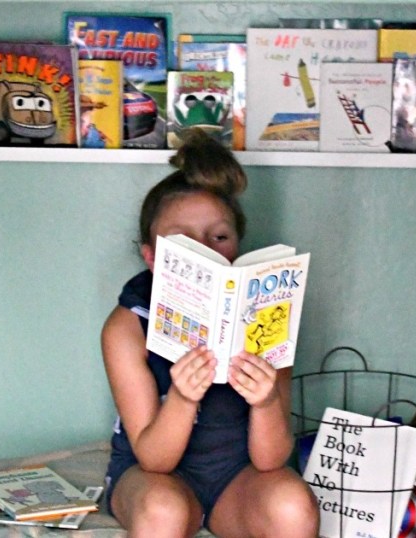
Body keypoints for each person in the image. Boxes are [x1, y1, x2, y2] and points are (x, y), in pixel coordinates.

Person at [101, 128, 319, 538]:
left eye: (219, 237)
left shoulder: (268, 317)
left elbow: (271, 460)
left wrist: (266, 399)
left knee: (292, 502)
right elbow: (153, 460)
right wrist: (183, 397)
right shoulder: (126, 325)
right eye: (182, 241)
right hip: (153, 477)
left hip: (236, 480)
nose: (206, 249)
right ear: (151, 256)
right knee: (163, 510)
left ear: (237, 246)